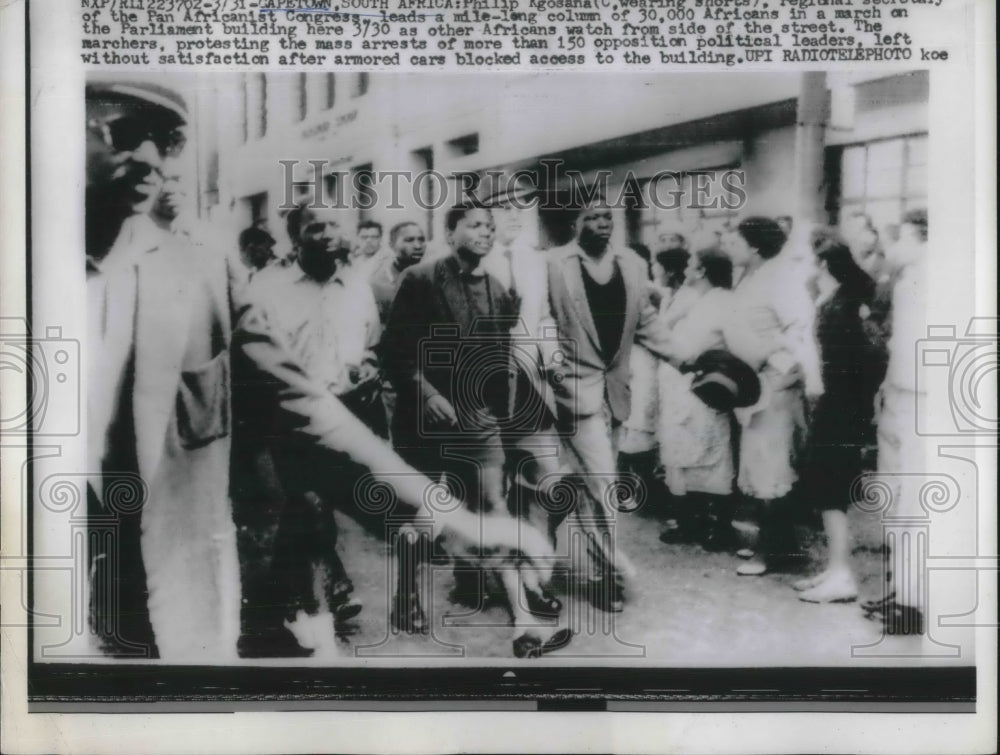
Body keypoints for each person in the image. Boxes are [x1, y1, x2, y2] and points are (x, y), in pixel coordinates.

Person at [83, 76, 552, 661]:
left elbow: (300, 401)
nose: (150, 158)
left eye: (166, 141)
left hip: (164, 609)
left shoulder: (201, 274)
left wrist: (449, 517)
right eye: (125, 134)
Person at [244, 203, 384, 648]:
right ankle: (317, 609)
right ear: (295, 238)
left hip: (346, 410)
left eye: (333, 225)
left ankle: (283, 600)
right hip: (289, 417)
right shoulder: (267, 288)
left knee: (309, 515)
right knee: (312, 510)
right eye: (314, 227)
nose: (326, 234)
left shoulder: (357, 287)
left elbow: (371, 344)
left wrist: (367, 365)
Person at [381, 203, 519, 631]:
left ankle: (490, 585)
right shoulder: (421, 279)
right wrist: (426, 393)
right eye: (475, 225)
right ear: (450, 231)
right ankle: (406, 599)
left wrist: (501, 416)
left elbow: (499, 359)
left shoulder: (498, 288)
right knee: (424, 512)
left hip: (477, 417)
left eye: (490, 227)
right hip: (426, 416)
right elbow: (394, 351)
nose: (485, 233)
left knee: (492, 501)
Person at [543, 197, 676, 612]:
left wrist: (685, 357)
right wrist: (552, 364)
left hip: (615, 393)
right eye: (593, 217)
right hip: (570, 393)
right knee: (601, 485)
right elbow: (541, 318)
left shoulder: (631, 266)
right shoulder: (552, 264)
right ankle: (606, 577)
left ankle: (537, 561)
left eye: (607, 217)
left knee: (587, 484)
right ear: (575, 222)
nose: (603, 224)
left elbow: (646, 321)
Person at [721, 216, 817, 577]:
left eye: (736, 241)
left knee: (772, 467)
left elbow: (800, 330)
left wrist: (773, 366)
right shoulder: (753, 276)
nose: (730, 247)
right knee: (759, 465)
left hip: (774, 384)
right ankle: (778, 546)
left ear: (755, 246)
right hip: (754, 385)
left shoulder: (780, 277)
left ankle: (774, 552)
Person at [794, 234, 886, 602]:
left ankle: (842, 576)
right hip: (839, 405)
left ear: (822, 265)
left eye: (804, 260)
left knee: (832, 491)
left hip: (840, 408)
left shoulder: (840, 306)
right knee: (827, 490)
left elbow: (857, 363)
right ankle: (835, 568)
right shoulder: (836, 300)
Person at [862, 209, 929, 633]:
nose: (891, 246)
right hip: (899, 391)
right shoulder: (906, 279)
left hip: (925, 398)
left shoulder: (940, 278)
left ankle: (915, 602)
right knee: (898, 498)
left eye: (901, 237)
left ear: (923, 237)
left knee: (917, 504)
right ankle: (901, 590)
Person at [656, 247, 738, 550]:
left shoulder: (723, 301)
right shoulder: (697, 299)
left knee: (713, 458)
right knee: (681, 457)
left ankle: (720, 527)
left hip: (706, 387)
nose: (686, 268)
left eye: (692, 264)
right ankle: (691, 523)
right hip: (681, 388)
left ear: (702, 270)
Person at [370, 220, 427, 324]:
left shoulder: (432, 278)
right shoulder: (378, 285)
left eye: (421, 240)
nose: (418, 246)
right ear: (392, 245)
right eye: (409, 240)